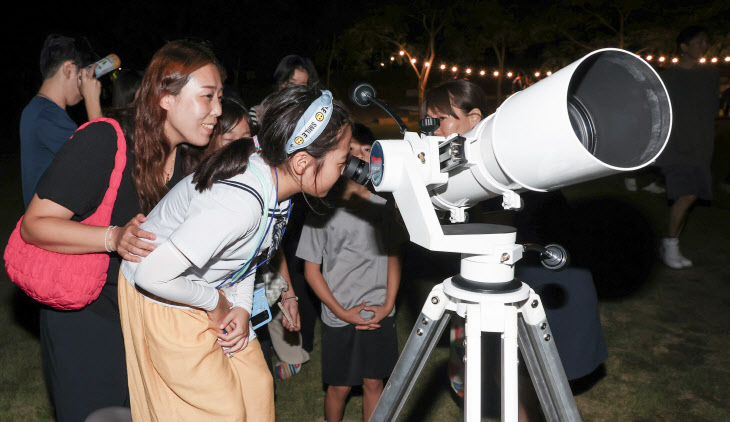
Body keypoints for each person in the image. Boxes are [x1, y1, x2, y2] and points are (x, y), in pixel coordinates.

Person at [118, 85, 352, 421]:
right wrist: (217, 303)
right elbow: (152, 275)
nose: (344, 172)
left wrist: (241, 307)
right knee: (221, 411)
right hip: (163, 293)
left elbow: (248, 255)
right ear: (302, 161)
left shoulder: (276, 185)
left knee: (256, 386)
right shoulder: (238, 204)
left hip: (205, 287)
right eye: (341, 162)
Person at [19, 39, 224, 422]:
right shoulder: (104, 139)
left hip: (143, 318)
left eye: (220, 98)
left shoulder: (190, 161)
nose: (217, 110)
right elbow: (35, 225)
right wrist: (112, 237)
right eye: (208, 96)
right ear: (165, 97)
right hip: (86, 319)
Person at [421, 79, 607, 421]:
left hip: (539, 275)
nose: (432, 132)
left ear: (474, 118)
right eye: (427, 122)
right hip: (503, 271)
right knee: (500, 368)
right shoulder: (466, 169)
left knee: (525, 371)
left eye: (441, 120)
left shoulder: (506, 164)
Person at [297, 122, 405, 422]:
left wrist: (387, 305)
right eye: (352, 150)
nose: (359, 157)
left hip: (378, 311)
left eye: (367, 150)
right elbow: (311, 270)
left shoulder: (386, 205)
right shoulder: (322, 206)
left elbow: (394, 256)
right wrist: (342, 313)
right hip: (338, 313)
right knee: (340, 387)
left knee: (374, 382)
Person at [655, 25, 720, 269]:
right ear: (684, 47)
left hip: (701, 144)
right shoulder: (669, 77)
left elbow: (712, 108)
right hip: (677, 146)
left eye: (706, 41)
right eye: (699, 41)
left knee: (689, 198)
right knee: (687, 195)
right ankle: (670, 246)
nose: (705, 46)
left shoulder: (711, 74)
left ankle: (670, 244)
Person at [20, 33, 103, 208]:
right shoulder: (47, 116)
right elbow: (101, 161)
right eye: (84, 74)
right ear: (68, 70)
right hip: (51, 230)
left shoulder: (39, 110)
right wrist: (92, 100)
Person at [249, 54, 319, 130]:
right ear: (280, 82)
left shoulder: (313, 113)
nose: (296, 89)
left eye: (302, 85)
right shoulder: (258, 113)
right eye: (291, 83)